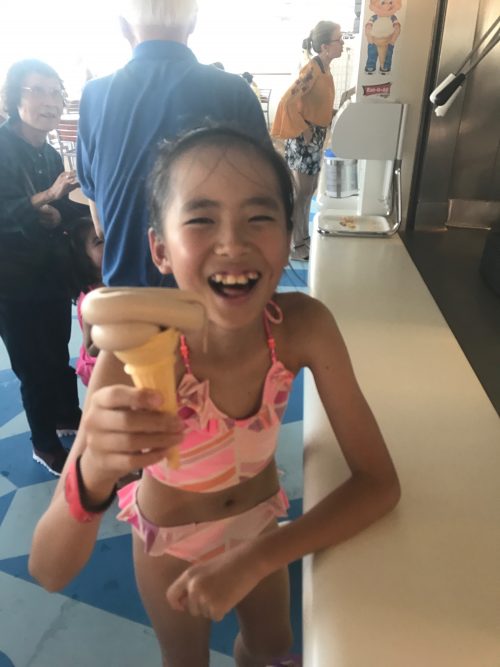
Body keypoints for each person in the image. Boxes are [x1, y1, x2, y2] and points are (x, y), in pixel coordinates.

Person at [29, 127, 400, 667]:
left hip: (259, 526)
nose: (232, 243)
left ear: (289, 233)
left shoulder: (304, 328)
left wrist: (256, 557)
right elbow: (47, 570)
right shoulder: (133, 352)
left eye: (260, 217)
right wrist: (93, 474)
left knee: (271, 647)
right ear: (160, 249)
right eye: (201, 219)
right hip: (169, 544)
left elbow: (379, 483)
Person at [77, 0, 269, 289]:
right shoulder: (234, 93)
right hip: (216, 289)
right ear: (193, 22)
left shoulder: (95, 96)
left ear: (123, 27)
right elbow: (263, 205)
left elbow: (99, 220)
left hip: (126, 294)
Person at [0, 59, 87, 476]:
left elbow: (62, 211)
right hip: (11, 280)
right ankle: (43, 441)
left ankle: (67, 415)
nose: (50, 102)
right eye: (37, 91)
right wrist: (46, 198)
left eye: (56, 92)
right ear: (14, 98)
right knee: (31, 364)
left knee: (57, 350)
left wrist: (65, 214)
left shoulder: (49, 153)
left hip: (49, 272)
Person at [272, 21, 343, 261]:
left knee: (308, 191)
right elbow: (287, 101)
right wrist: (303, 130)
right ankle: (295, 246)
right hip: (305, 139)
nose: (342, 44)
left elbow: (316, 103)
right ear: (325, 47)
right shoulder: (311, 70)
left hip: (315, 137)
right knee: (301, 193)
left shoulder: (324, 70)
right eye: (339, 39)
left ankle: (302, 238)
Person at [65, 216, 104, 386]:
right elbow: (91, 348)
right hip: (98, 368)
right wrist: (113, 336)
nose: (109, 243)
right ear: (84, 259)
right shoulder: (92, 299)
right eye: (99, 242)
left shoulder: (120, 281)